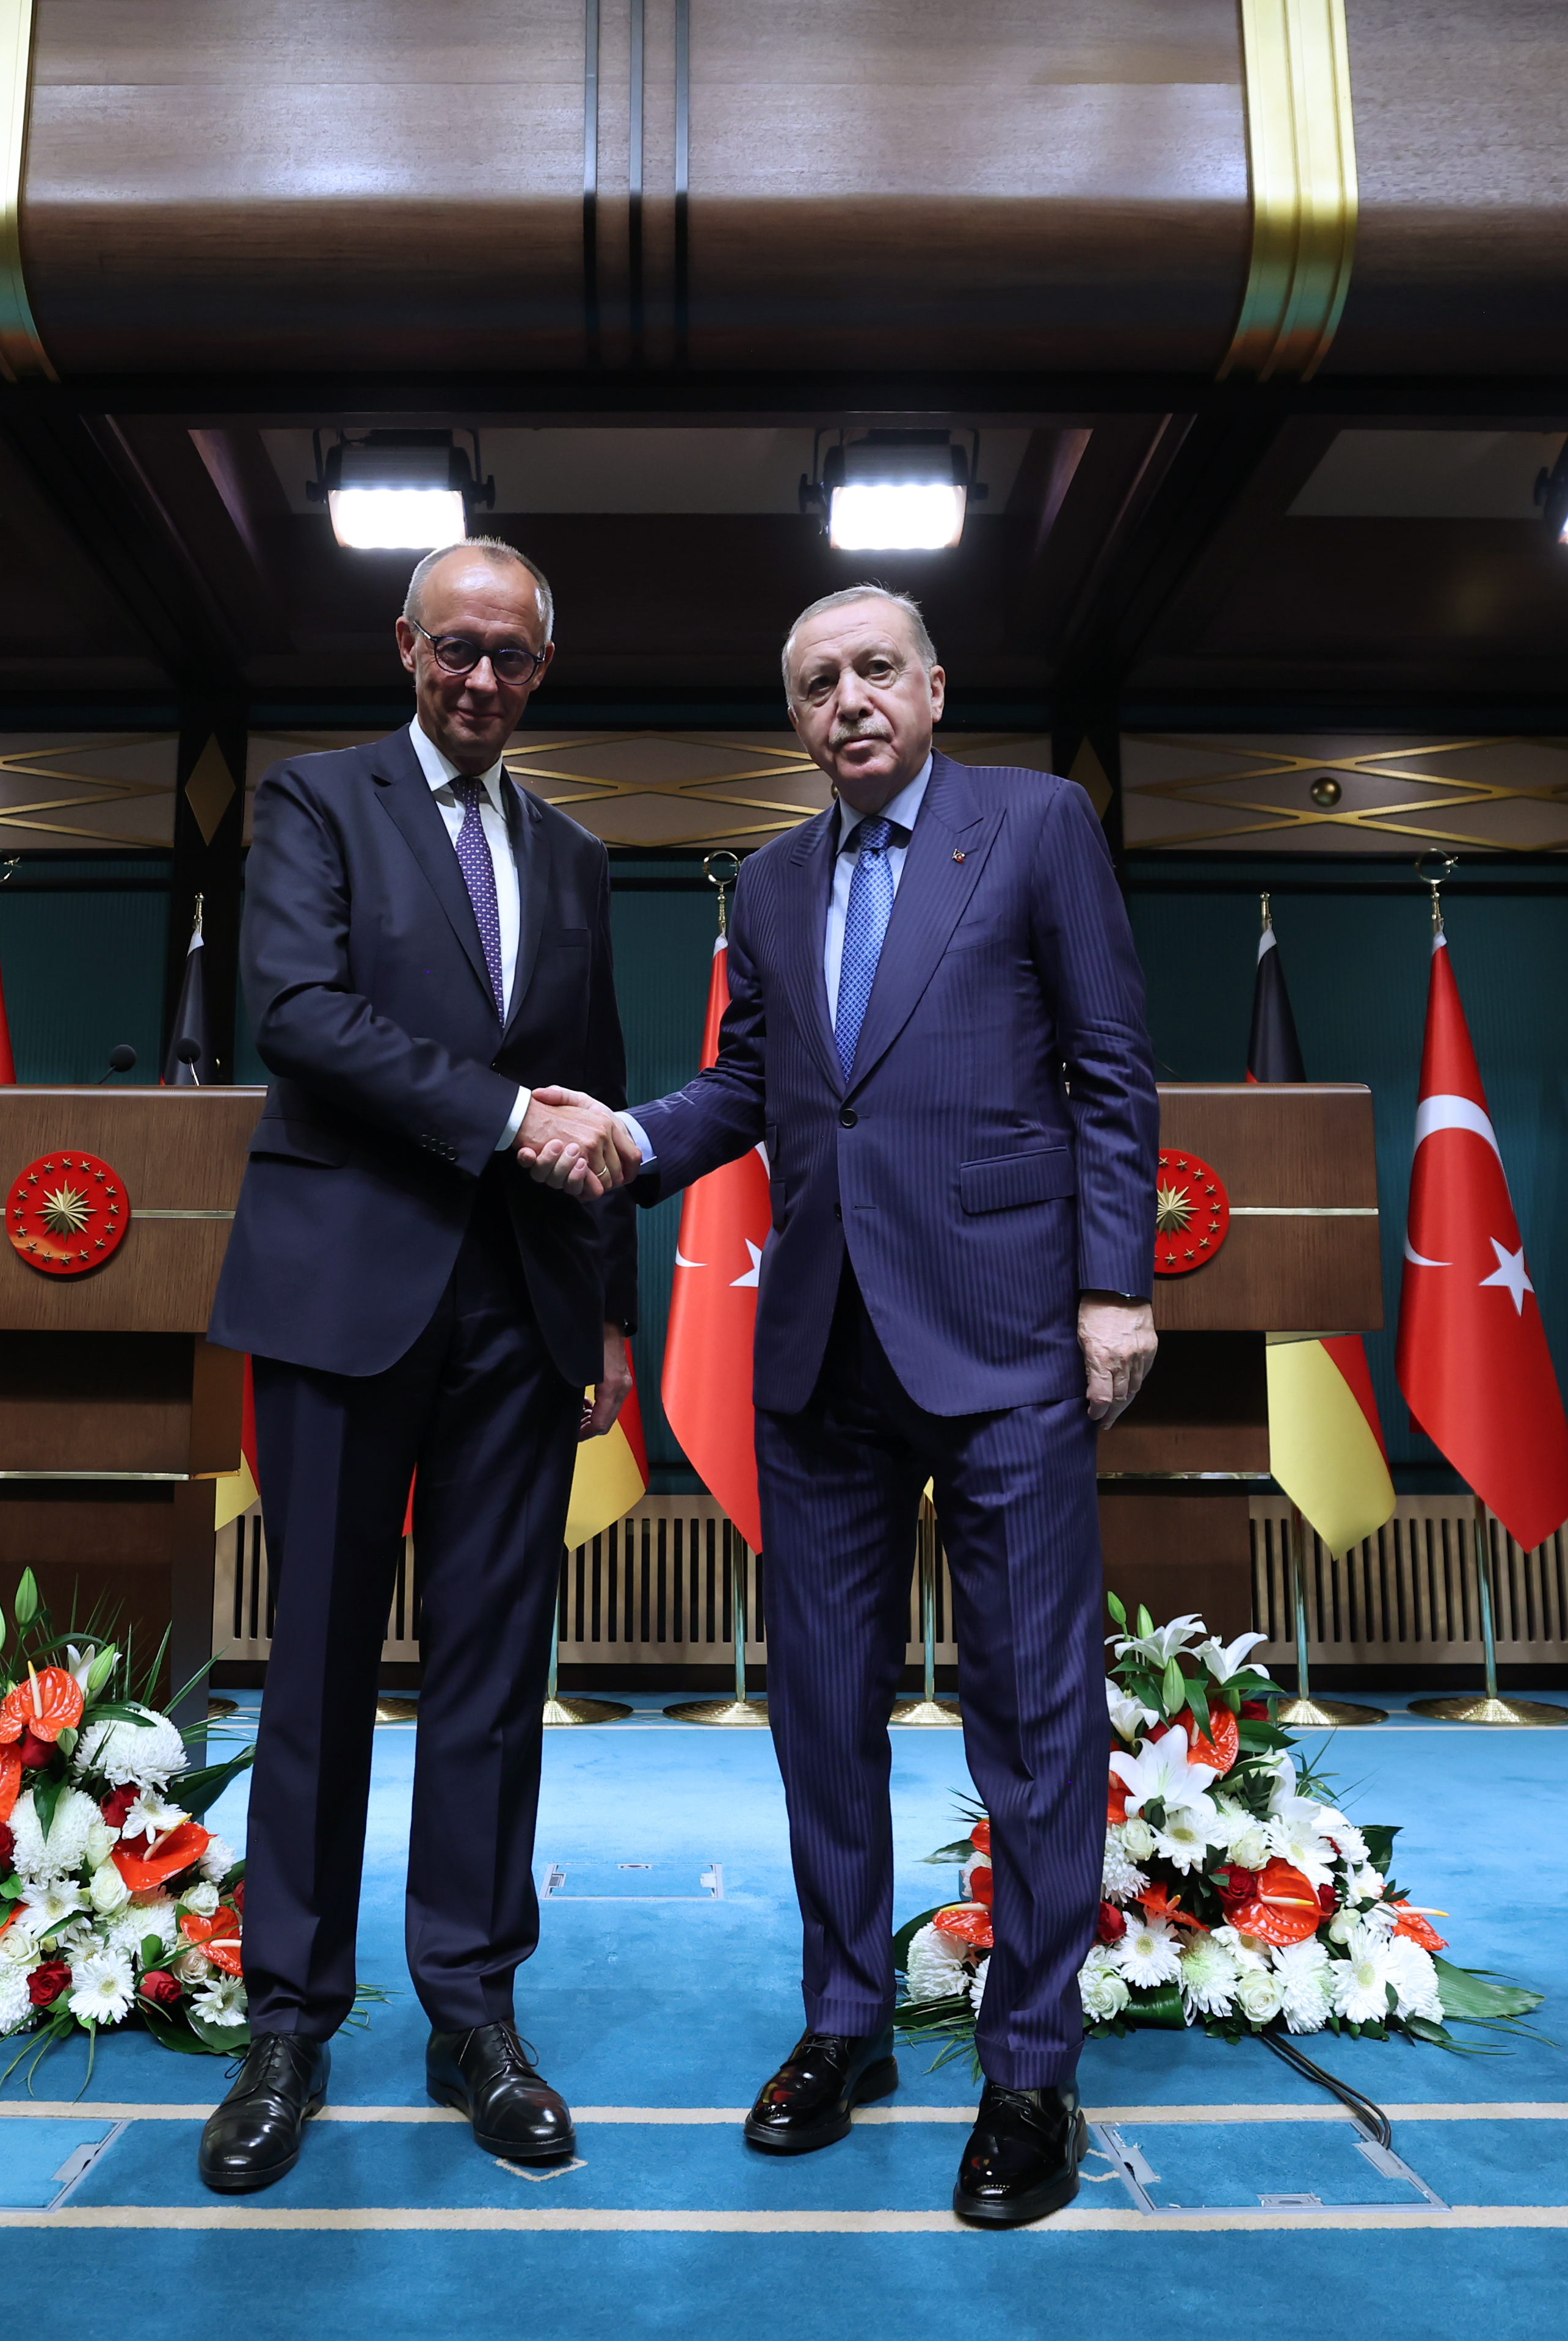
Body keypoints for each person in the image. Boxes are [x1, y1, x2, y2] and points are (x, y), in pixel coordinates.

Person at [523, 584, 1158, 2228]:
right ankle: (845, 2022)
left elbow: (1109, 1066)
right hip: (817, 1351)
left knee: (1033, 1715)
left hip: (1007, 1335)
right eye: (817, 682)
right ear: (795, 719)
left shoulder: (1037, 825)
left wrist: (1114, 1286)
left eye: (877, 669)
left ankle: (1031, 2069)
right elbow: (751, 1081)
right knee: (818, 1707)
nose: (849, 700)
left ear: (934, 687)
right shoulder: (773, 880)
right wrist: (632, 1138)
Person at [200, 539, 638, 2194]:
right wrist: (503, 1116)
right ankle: (289, 2026)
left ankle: (474, 2016)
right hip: (340, 1296)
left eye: (510, 657)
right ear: (404, 646)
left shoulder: (575, 855)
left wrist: (609, 1315)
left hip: (522, 1313)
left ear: (541, 670)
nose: (480, 679)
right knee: (314, 1668)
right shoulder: (315, 801)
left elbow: (597, 1093)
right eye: (456, 647)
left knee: (492, 1682)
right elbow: (297, 1012)